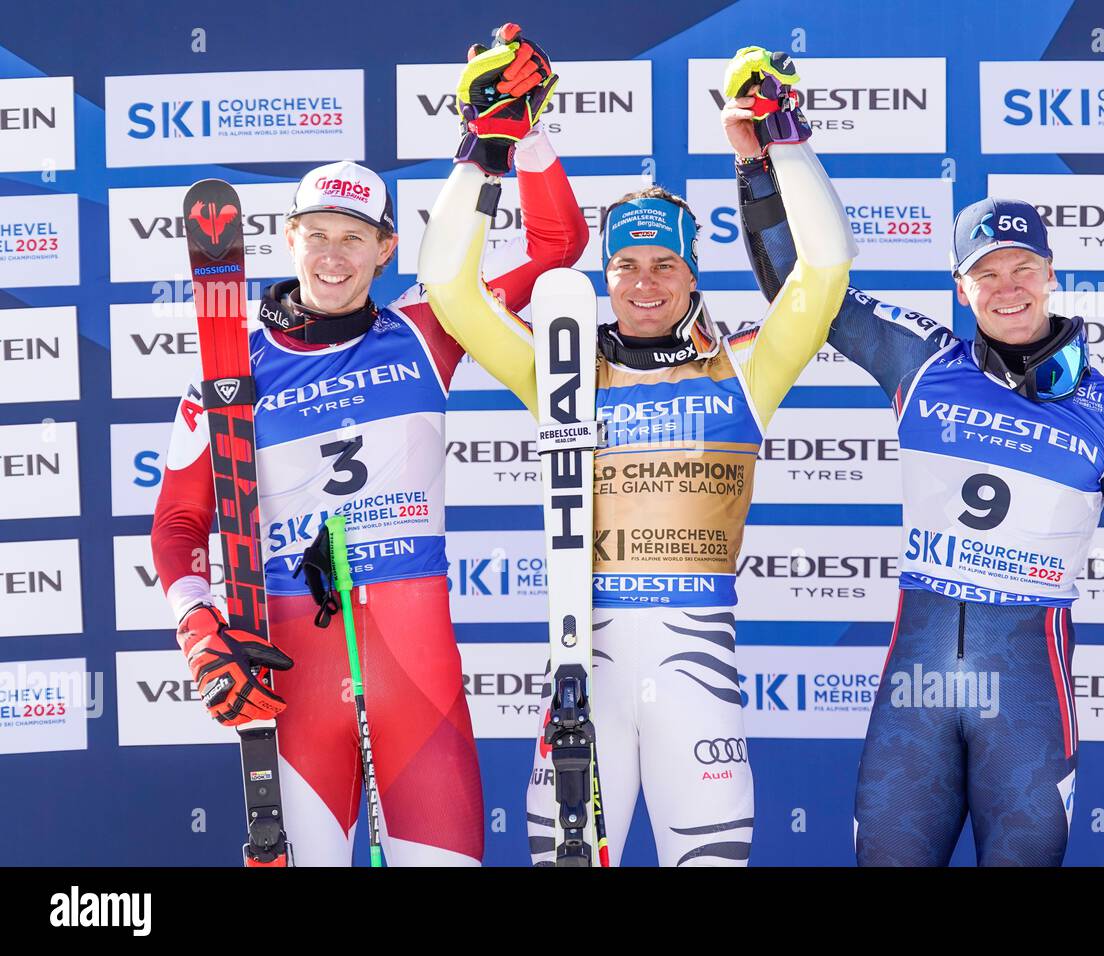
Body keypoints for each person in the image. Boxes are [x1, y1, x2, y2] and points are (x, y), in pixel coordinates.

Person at [419, 40, 854, 866]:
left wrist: (784, 136)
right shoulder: (563, 368)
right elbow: (449, 288)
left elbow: (825, 270)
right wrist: (489, 145)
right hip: (584, 671)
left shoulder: (747, 368)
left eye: (666, 265)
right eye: (625, 265)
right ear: (605, 275)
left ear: (692, 275)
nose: (645, 284)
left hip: (700, 679)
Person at [150, 57, 588, 865]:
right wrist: (195, 620)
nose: (332, 255)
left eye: (354, 238)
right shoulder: (226, 370)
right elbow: (179, 521)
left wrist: (518, 134)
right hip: (293, 668)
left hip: (416, 672)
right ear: (290, 239)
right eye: (316, 235)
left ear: (386, 248)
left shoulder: (430, 330)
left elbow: (561, 245)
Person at [736, 181, 1104, 865]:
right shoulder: (921, 360)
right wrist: (758, 166)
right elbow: (799, 294)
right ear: (960, 287)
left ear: (1052, 274)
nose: (1009, 288)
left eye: (1023, 268)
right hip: (916, 695)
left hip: (1026, 699)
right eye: (986, 273)